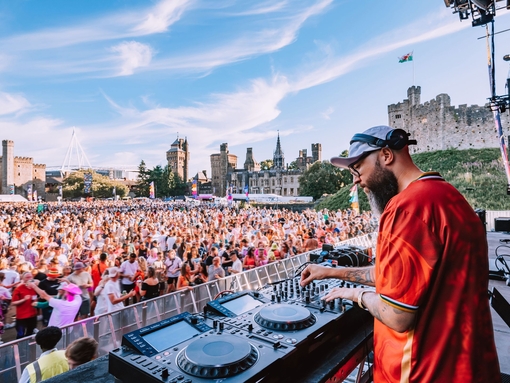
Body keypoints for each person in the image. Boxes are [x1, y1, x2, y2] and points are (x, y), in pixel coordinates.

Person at [300, 125, 500, 383]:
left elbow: (398, 317)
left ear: (386, 155)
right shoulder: (449, 196)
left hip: (423, 370)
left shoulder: (407, 207)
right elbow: (396, 276)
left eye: (358, 167)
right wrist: (331, 271)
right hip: (467, 365)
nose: (356, 180)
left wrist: (356, 294)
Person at [11, 272, 38, 339]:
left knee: (30, 333)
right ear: (23, 278)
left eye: (30, 277)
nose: (29, 279)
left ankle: (26, 348)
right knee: (20, 334)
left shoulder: (34, 287)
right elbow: (13, 303)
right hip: (22, 316)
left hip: (32, 315)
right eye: (27, 277)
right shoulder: (19, 288)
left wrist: (36, 301)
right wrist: (24, 299)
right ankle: (19, 348)